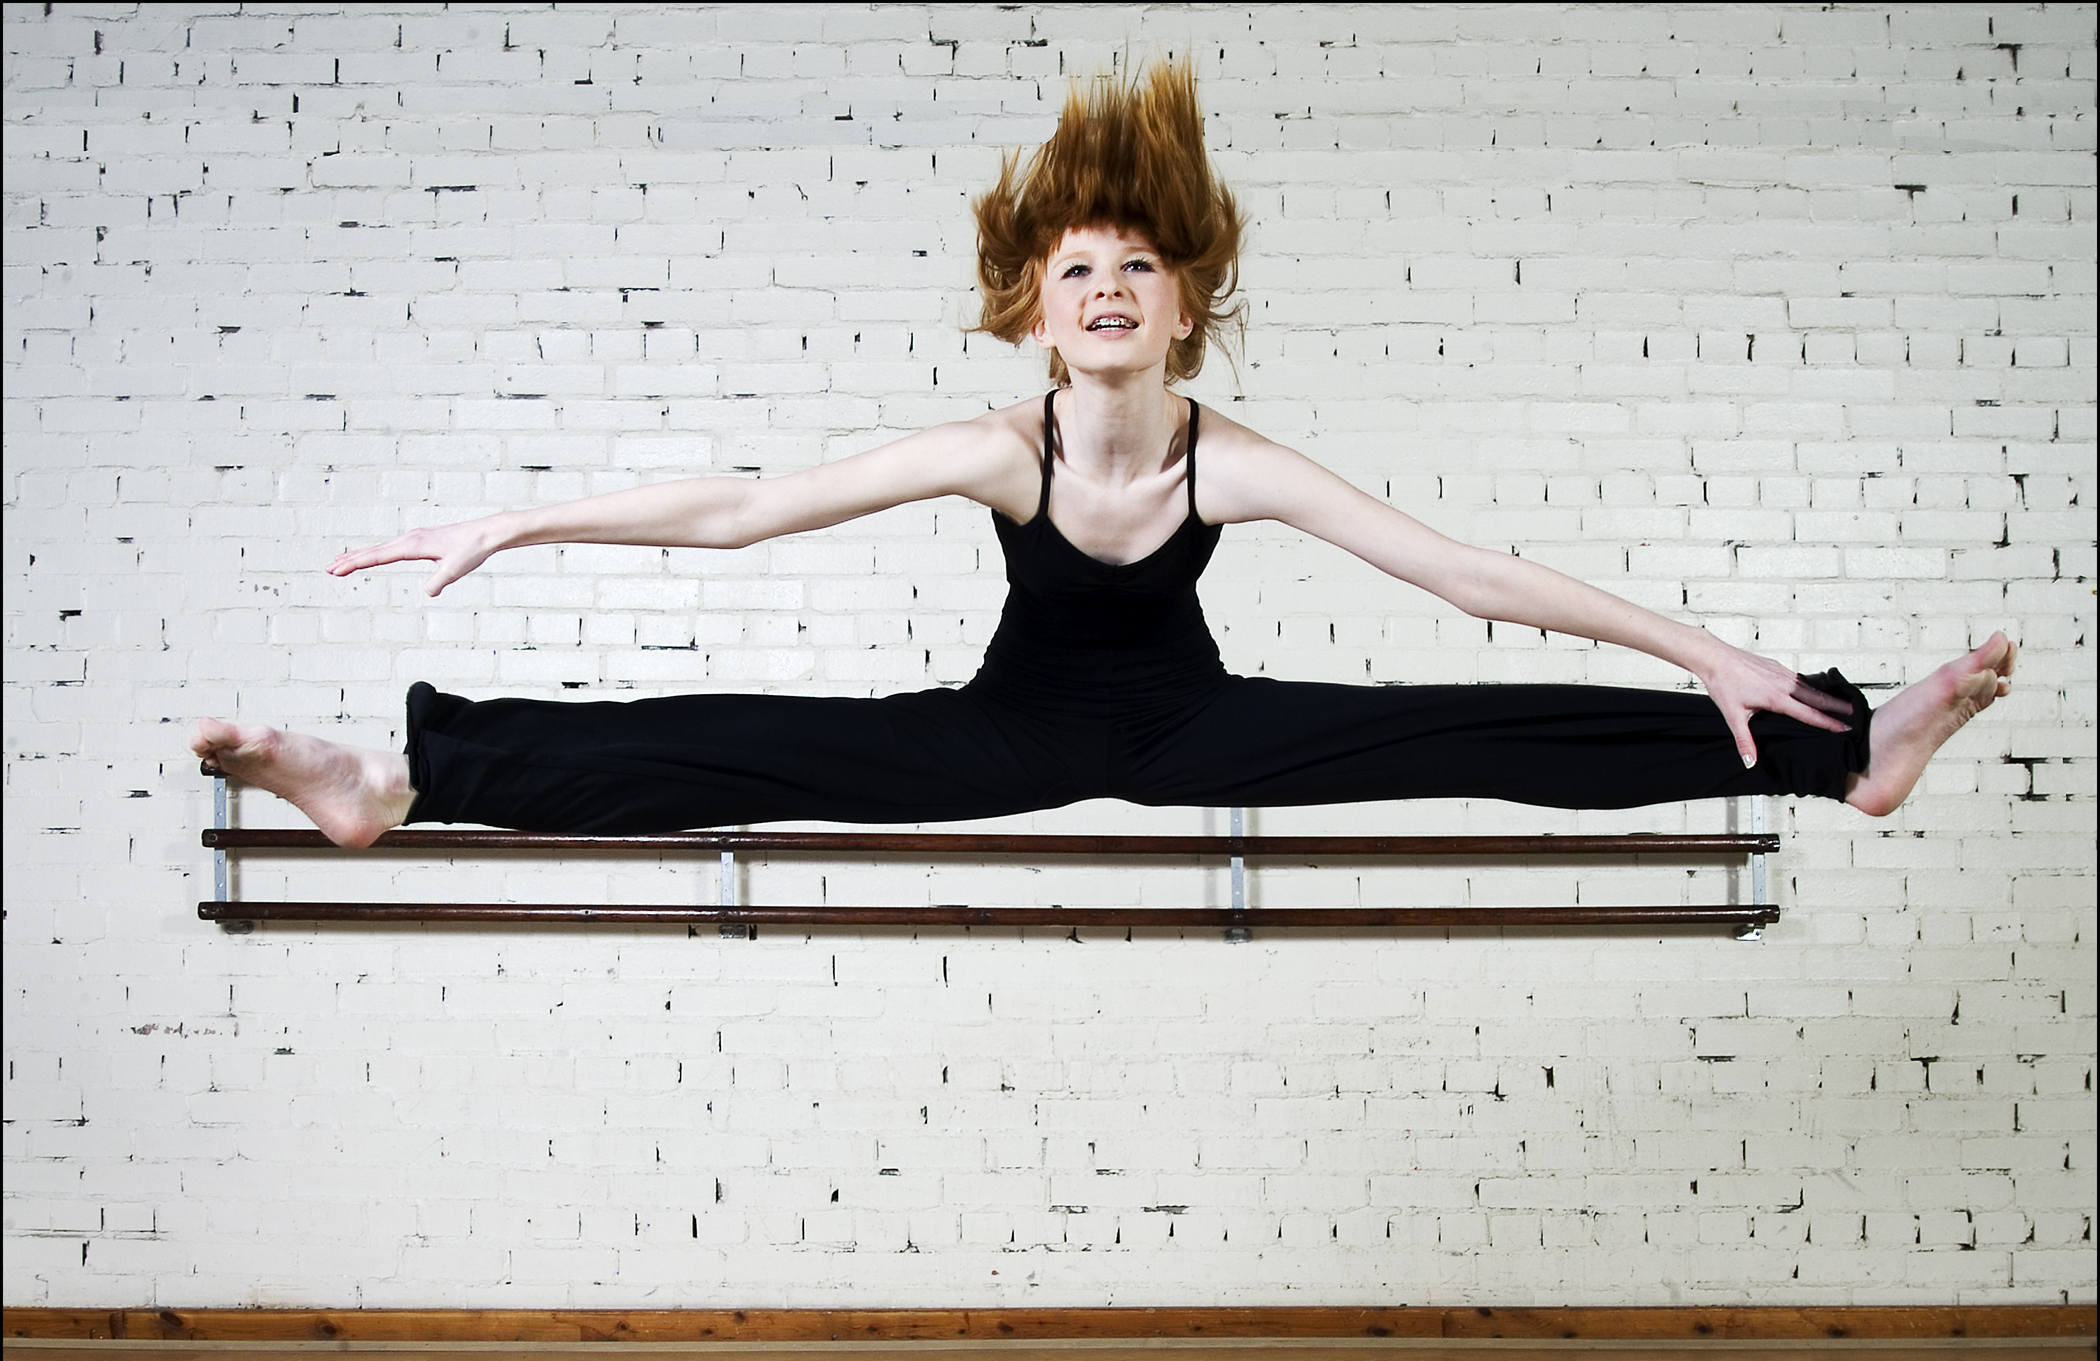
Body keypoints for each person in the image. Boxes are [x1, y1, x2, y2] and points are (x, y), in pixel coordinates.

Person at [193, 59, 2014, 850]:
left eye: (1140, 264)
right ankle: (394, 782)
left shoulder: (1232, 459)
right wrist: (520, 521)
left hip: (1196, 730)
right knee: (750, 738)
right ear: (1036, 312)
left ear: (1183, 298)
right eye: (1080, 270)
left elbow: (1469, 577)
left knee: (1461, 721)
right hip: (1006, 734)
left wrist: (1713, 652)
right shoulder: (1004, 449)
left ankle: (1845, 752)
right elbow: (744, 511)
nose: (1112, 287)